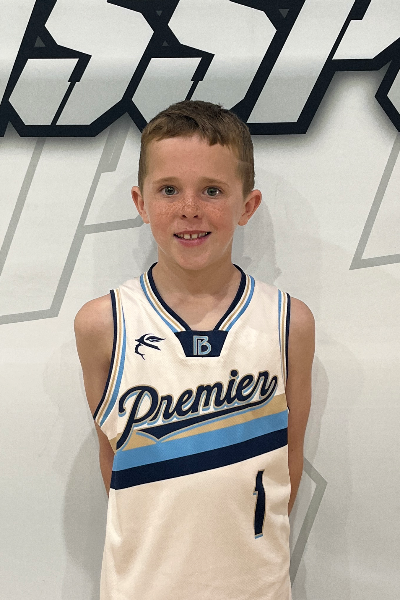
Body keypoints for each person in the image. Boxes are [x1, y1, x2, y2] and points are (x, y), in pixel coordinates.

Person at [74, 100, 314, 600]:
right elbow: (115, 465)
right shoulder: (103, 324)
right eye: (169, 190)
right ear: (141, 203)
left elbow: (287, 466)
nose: (189, 209)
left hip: (257, 589)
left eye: (212, 190)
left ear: (247, 205)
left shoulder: (289, 322)